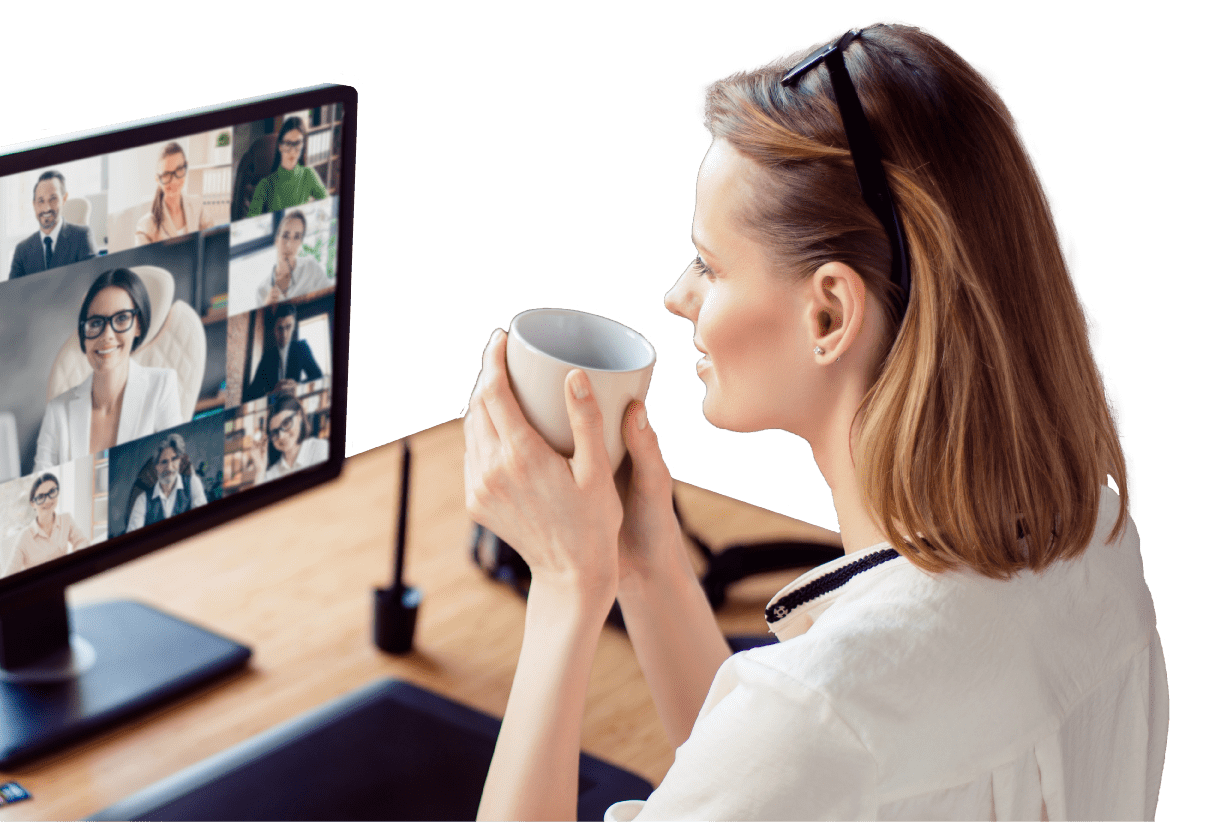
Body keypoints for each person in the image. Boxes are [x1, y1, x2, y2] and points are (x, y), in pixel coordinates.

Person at [465, 21, 1162, 822]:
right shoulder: (1098, 547)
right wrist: (645, 560)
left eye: (710, 265)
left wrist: (563, 589)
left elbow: (802, 750)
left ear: (828, 313)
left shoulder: (821, 718)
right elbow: (789, 785)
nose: (678, 295)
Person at [36, 269, 183, 470]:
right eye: (96, 323)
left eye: (121, 318)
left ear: (138, 325)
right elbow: (40, 487)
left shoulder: (162, 387)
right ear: (83, 334)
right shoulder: (57, 411)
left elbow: (174, 474)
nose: (107, 335)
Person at [8, 170, 96, 279]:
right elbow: (12, 293)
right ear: (34, 205)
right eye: (41, 201)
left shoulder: (82, 236)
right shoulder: (22, 250)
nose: (46, 208)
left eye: (53, 199)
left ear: (64, 199)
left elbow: (93, 282)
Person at [3, 473, 89, 575]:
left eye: (52, 491)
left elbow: (82, 541)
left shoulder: (66, 519)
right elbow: (9, 575)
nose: (48, 500)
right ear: (33, 503)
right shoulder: (24, 537)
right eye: (40, 497)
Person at [246, 116, 327, 217]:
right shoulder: (265, 185)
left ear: (303, 145)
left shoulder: (309, 174)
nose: (292, 151)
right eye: (288, 144)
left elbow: (327, 206)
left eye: (297, 143)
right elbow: (251, 223)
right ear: (280, 146)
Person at [126, 432, 209, 530]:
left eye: (174, 459)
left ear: (179, 461)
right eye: (164, 462)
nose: (169, 467)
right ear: (156, 467)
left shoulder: (192, 483)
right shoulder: (142, 500)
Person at [135, 142, 215, 244]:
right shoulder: (146, 225)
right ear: (157, 179)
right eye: (166, 174)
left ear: (186, 166)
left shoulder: (196, 205)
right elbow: (142, 259)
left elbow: (213, 239)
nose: (174, 181)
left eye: (179, 169)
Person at [243, 302, 321, 403]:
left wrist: (299, 386)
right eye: (280, 328)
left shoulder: (302, 348)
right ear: (274, 330)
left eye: (288, 327)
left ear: (293, 326)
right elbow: (250, 394)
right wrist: (270, 393)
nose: (284, 334)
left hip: (295, 402)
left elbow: (318, 376)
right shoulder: (267, 357)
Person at [255, 209, 332, 308]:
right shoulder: (262, 290)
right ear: (276, 240)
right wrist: (267, 309)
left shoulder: (312, 269)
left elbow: (331, 299)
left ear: (300, 243)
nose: (289, 244)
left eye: (296, 237)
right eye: (285, 236)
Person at [256, 390, 327, 483]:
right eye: (275, 432)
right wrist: (260, 469)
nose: (281, 436)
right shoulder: (272, 474)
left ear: (300, 415)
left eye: (286, 423)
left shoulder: (320, 448)